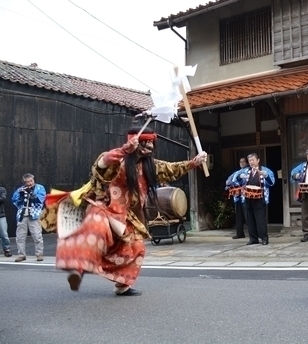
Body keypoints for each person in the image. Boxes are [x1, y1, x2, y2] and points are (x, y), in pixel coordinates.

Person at [44, 126, 207, 296]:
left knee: (137, 248)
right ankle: (78, 267)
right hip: (103, 207)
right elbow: (101, 164)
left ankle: (122, 285)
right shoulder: (118, 161)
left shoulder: (149, 165)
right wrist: (123, 150)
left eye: (152, 143)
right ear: (135, 143)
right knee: (97, 230)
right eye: (146, 143)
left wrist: (193, 163)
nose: (150, 147)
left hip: (126, 215)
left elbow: (171, 169)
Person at [231, 153, 275, 246]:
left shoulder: (265, 170)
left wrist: (266, 176)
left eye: (253, 160)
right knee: (249, 220)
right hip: (247, 198)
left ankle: (264, 238)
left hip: (260, 198)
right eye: (250, 161)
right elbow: (236, 181)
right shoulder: (246, 171)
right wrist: (239, 177)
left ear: (258, 160)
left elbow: (272, 183)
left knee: (260, 220)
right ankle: (253, 238)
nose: (251, 162)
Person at [11, 174, 46, 262]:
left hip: (34, 215)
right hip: (22, 215)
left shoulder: (39, 188)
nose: (29, 183)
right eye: (27, 182)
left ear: (33, 180)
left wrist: (31, 193)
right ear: (24, 182)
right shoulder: (20, 190)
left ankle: (39, 254)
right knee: (20, 236)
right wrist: (21, 196)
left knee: (37, 235)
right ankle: (21, 255)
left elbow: (41, 200)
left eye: (31, 181)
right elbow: (14, 200)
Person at [225, 157, 248, 239]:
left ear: (247, 162)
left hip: (245, 196)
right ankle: (240, 233)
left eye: (243, 161)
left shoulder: (248, 170)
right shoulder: (237, 172)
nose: (242, 163)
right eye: (240, 161)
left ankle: (253, 234)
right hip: (236, 196)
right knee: (238, 216)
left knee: (247, 215)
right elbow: (228, 181)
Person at [0, 186, 13, 257]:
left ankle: (7, 249)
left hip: (1, 215)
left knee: (4, 234)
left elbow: (3, 199)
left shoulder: (1, 189)